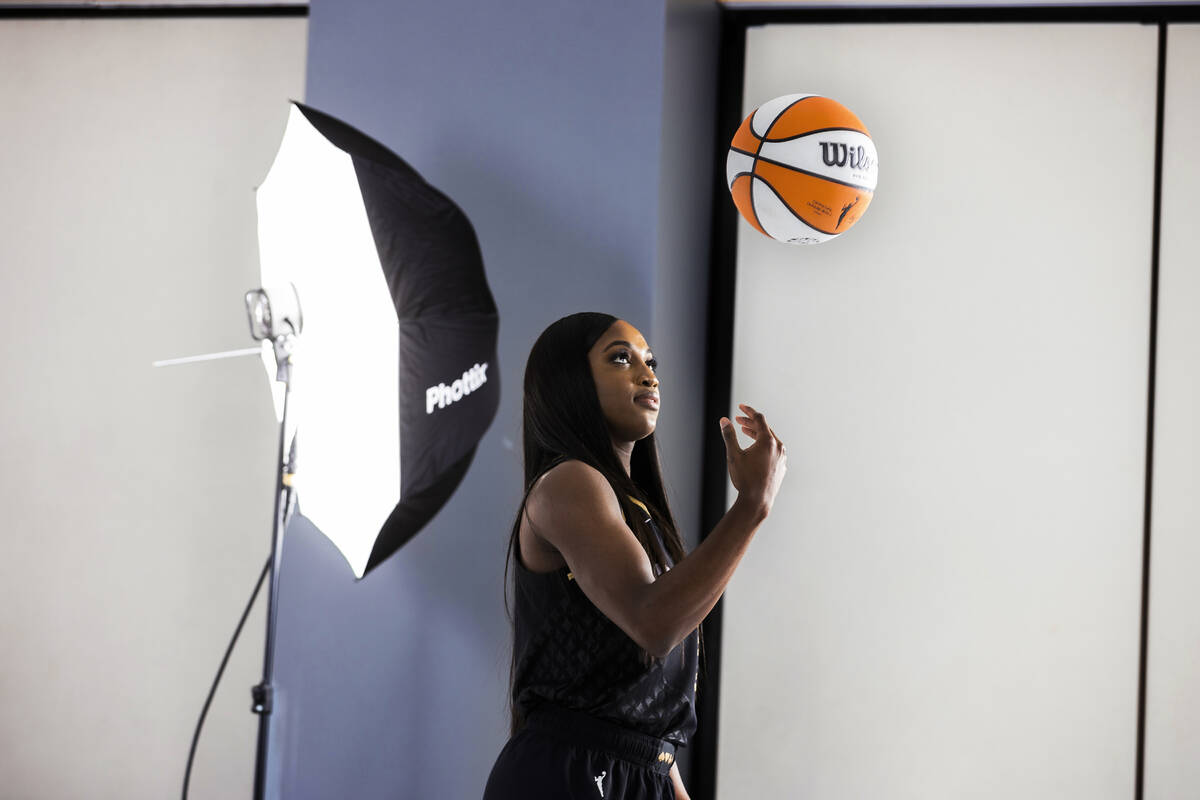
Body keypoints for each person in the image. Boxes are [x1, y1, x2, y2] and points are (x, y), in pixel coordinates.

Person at [482, 312, 787, 800]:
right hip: (571, 772)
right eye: (620, 358)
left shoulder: (638, 511)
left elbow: (646, 706)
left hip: (640, 772)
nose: (648, 374)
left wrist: (671, 784)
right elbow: (654, 622)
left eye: (650, 361)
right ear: (570, 382)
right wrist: (752, 506)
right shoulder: (569, 482)